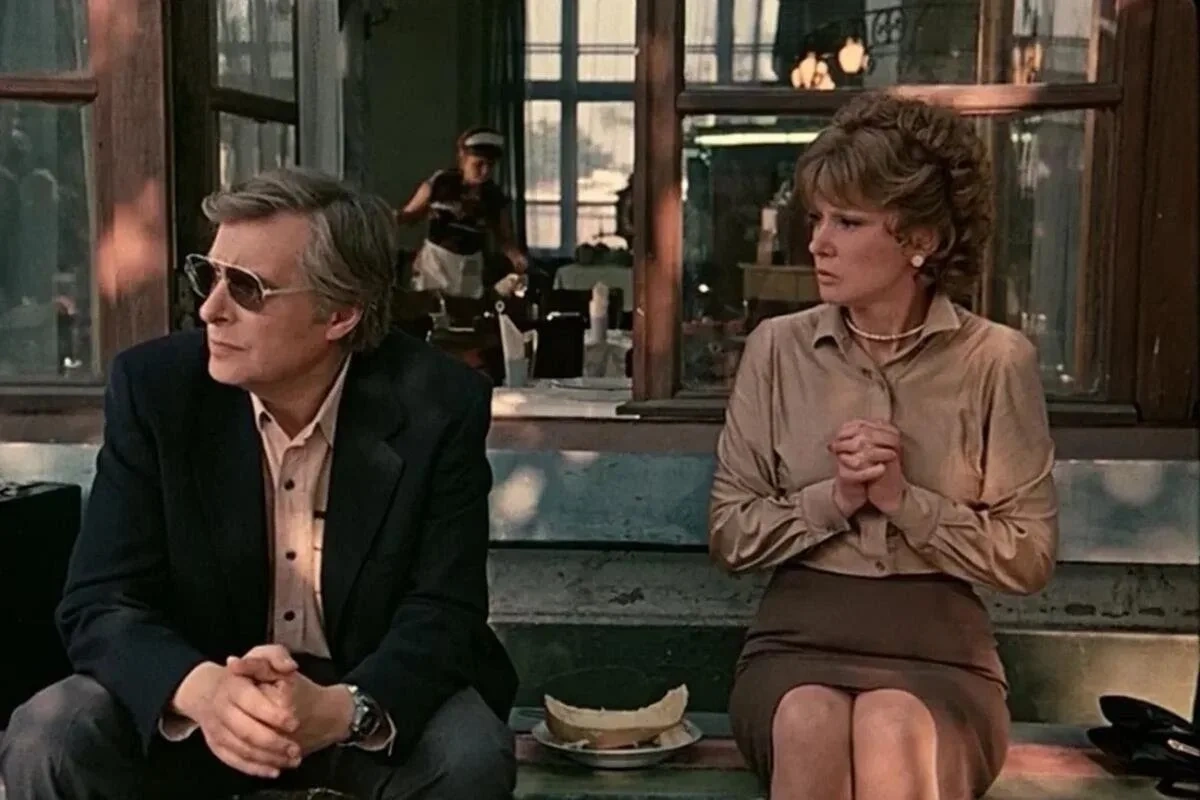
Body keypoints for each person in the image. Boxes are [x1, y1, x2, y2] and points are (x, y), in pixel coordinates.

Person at [0, 167, 519, 800]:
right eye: (208, 276)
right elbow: (100, 599)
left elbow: (445, 609)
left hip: (352, 700)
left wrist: (344, 708)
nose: (210, 309)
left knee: (469, 753)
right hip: (198, 695)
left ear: (340, 314)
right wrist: (202, 692)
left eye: (246, 288)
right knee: (48, 736)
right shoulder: (155, 390)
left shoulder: (438, 402)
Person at [709, 93, 1058, 800]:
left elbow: (1029, 557)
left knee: (890, 725)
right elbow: (729, 534)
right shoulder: (776, 349)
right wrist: (835, 498)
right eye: (817, 219)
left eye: (847, 221)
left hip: (941, 654)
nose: (818, 242)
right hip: (795, 643)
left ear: (918, 239)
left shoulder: (996, 362)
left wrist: (907, 503)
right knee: (808, 721)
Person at [397, 126, 528, 299]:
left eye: (490, 165)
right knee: (431, 308)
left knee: (468, 309)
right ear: (463, 158)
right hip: (435, 264)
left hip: (470, 266)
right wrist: (387, 218)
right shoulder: (440, 183)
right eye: (478, 164)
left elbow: (504, 238)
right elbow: (410, 214)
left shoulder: (494, 196)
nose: (485, 171)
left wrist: (516, 257)